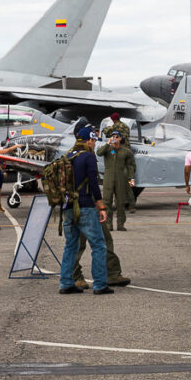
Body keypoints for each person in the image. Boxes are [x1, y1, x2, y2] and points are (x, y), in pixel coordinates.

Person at [58, 125, 113, 295]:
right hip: (86, 207)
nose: (95, 143)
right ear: (89, 140)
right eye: (94, 140)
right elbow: (94, 183)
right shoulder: (88, 157)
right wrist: (101, 205)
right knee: (98, 245)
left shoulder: (68, 156)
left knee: (71, 246)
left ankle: (66, 283)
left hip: (67, 207)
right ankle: (100, 284)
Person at [96, 131, 136, 231]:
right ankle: (108, 224)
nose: (114, 138)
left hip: (121, 179)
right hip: (108, 179)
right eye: (112, 136)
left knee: (120, 202)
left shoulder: (126, 151)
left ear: (120, 138)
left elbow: (130, 166)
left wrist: (131, 179)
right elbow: (99, 153)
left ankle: (120, 224)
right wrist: (107, 143)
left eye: (116, 136)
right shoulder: (107, 149)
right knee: (107, 201)